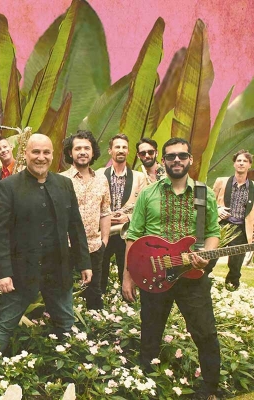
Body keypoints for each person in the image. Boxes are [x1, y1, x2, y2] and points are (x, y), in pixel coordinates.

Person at [123, 138, 221, 400]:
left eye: (182, 155)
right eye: (171, 156)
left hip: (192, 275)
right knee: (150, 331)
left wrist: (205, 255)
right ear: (163, 160)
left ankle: (210, 388)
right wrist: (127, 277)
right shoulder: (148, 194)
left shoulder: (204, 193)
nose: (177, 160)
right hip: (154, 274)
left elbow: (213, 232)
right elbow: (134, 235)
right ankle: (146, 385)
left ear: (190, 159)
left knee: (205, 332)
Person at [0, 134, 91, 351]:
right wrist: (3, 273)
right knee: (4, 326)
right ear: (25, 154)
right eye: (36, 152)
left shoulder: (64, 184)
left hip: (57, 270)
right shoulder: (8, 186)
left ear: (53, 155)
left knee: (66, 324)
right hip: (21, 272)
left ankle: (68, 366)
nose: (41, 157)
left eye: (46, 152)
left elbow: (75, 226)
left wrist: (84, 263)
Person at [61, 131, 111, 310]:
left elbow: (105, 212)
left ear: (93, 151)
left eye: (86, 148)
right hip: (67, 247)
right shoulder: (62, 180)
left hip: (94, 247)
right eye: (78, 148)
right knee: (64, 292)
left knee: (94, 294)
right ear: (70, 152)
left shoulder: (102, 180)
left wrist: (104, 240)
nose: (82, 152)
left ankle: (94, 325)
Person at [98, 133, 146, 293]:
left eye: (124, 147)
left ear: (128, 151)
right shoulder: (99, 174)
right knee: (100, 272)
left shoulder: (139, 178)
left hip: (127, 232)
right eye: (117, 147)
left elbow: (144, 208)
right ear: (110, 151)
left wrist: (128, 217)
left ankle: (128, 302)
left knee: (127, 272)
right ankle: (97, 302)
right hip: (103, 231)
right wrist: (106, 217)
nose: (121, 150)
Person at [205, 149, 254, 289]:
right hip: (220, 226)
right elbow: (209, 202)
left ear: (249, 165)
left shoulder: (253, 187)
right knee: (210, 257)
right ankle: (201, 283)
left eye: (245, 161)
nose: (241, 163)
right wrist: (218, 209)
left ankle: (231, 290)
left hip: (241, 230)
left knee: (235, 265)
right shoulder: (221, 181)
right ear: (234, 164)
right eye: (239, 160)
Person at [0, 137, 23, 223]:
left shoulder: (25, 171)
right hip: (3, 224)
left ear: (11, 147)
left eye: (5, 147)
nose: (3, 150)